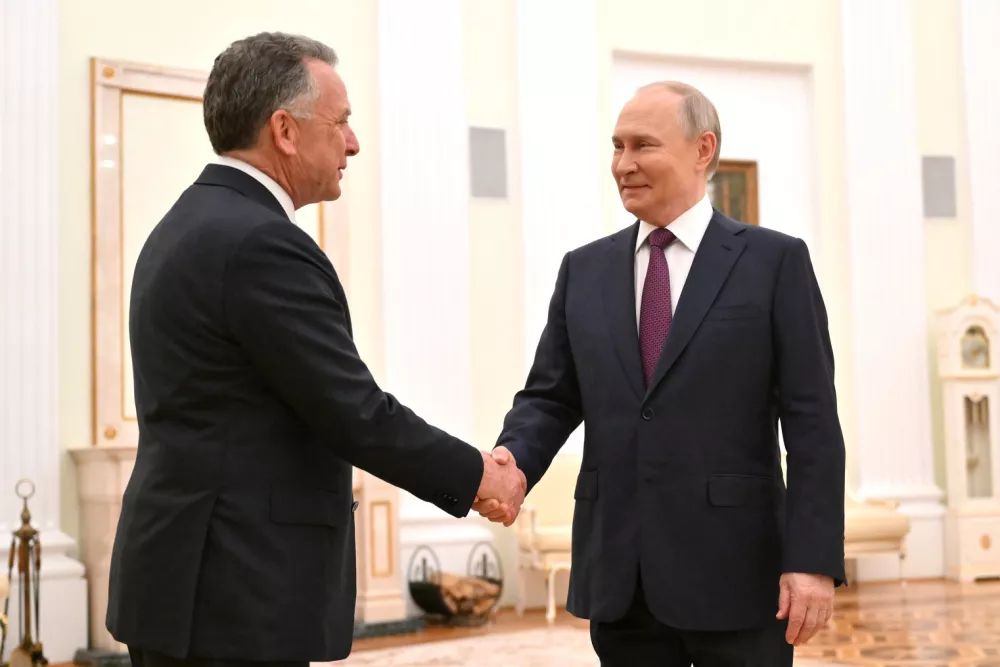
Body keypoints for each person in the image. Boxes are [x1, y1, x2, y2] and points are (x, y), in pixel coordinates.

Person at [106, 32, 525, 667]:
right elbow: (353, 411)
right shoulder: (261, 244)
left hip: (190, 577)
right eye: (343, 121)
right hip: (236, 588)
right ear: (285, 130)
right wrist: (478, 477)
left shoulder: (186, 223)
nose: (353, 142)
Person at [474, 81, 846, 665]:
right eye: (617, 147)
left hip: (741, 577)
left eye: (643, 146)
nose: (623, 164)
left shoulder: (776, 263)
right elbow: (549, 397)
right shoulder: (584, 270)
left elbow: (813, 424)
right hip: (622, 579)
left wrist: (813, 560)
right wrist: (512, 464)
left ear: (703, 149)